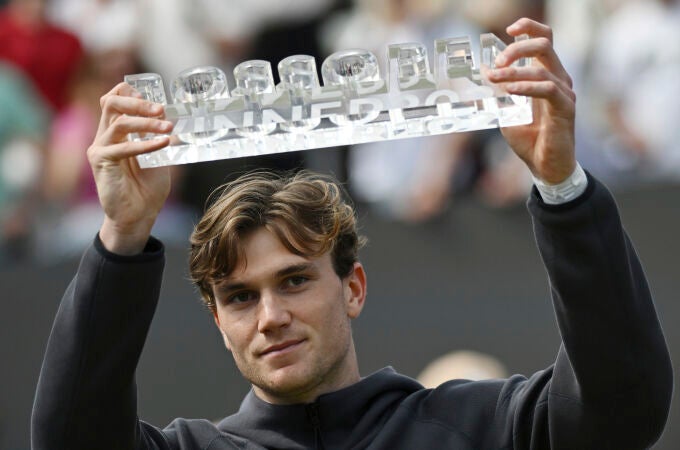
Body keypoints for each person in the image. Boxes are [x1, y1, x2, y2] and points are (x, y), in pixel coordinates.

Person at [31, 18, 672, 449]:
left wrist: (562, 187)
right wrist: (122, 233)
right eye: (240, 296)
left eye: (295, 279)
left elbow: (623, 403)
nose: (272, 315)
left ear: (354, 287)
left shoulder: (478, 427)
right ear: (217, 321)